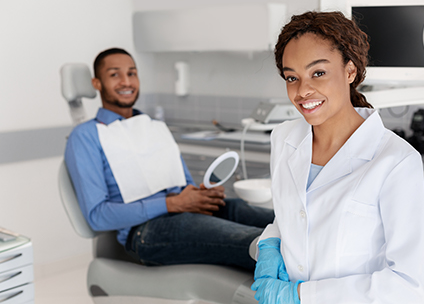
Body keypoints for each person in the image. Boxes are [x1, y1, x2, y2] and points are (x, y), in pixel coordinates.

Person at [251, 11, 424, 303]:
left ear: (350, 71)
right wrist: (270, 242)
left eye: (318, 73)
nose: (303, 90)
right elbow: (294, 214)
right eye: (291, 77)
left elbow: (409, 284)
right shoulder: (283, 138)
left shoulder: (396, 161)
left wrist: (299, 295)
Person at [64, 47, 274, 270]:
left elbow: (184, 186)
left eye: (132, 73)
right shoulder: (86, 136)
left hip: (184, 211)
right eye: (115, 74)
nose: (126, 82)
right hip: (146, 230)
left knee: (263, 217)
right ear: (97, 84)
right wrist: (172, 204)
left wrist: (200, 196)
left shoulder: (153, 127)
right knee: (260, 242)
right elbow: (97, 216)